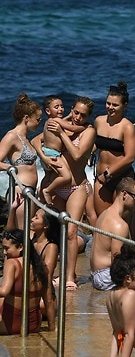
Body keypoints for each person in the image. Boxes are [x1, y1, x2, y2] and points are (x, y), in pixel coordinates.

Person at [34, 96, 96, 290]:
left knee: (70, 232)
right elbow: (36, 139)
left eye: (82, 115)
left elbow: (77, 154)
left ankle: (69, 277)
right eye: (75, 112)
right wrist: (44, 156)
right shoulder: (62, 122)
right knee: (54, 230)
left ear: (89, 116)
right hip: (56, 184)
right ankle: (52, 272)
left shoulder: (89, 131)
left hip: (76, 187)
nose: (77, 118)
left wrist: (61, 134)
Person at [94, 81, 135, 216]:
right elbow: (95, 143)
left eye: (115, 105)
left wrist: (108, 173)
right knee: (103, 219)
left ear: (124, 106)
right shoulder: (99, 121)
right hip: (101, 179)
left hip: (121, 179)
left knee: (121, 219)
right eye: (108, 103)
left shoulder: (127, 127)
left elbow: (130, 157)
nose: (110, 107)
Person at [0, 93, 42, 227]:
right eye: (37, 119)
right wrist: (9, 168)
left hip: (31, 191)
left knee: (28, 234)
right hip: (20, 192)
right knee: (20, 233)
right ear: (26, 118)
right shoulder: (11, 136)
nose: (39, 122)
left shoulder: (26, 138)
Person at [39, 95, 85, 204]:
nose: (60, 109)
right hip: (53, 155)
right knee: (66, 177)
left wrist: (69, 116)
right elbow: (72, 128)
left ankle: (41, 194)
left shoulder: (50, 121)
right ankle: (47, 190)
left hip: (46, 152)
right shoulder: (56, 121)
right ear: (48, 111)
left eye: (61, 106)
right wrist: (84, 127)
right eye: (56, 107)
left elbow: (61, 122)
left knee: (48, 176)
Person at [0, 229, 48, 334]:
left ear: (21, 247)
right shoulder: (41, 266)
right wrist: (53, 327)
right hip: (33, 324)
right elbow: (48, 300)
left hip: (11, 324)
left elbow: (3, 291)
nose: (4, 253)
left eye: (6, 248)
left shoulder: (12, 263)